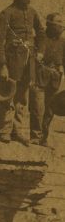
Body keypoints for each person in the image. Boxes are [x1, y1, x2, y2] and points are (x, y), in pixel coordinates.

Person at [0, 0, 45, 145]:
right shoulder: (7, 13)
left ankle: (17, 130)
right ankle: (5, 130)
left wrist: (40, 52)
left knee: (22, 98)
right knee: (8, 95)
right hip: (11, 60)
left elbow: (42, 33)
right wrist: (2, 65)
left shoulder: (32, 12)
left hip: (28, 61)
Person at [29, 13, 65, 146]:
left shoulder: (63, 42)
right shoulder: (39, 38)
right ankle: (35, 136)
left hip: (55, 79)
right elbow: (32, 59)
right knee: (37, 108)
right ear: (49, 24)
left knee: (50, 110)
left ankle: (44, 137)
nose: (62, 25)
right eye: (58, 22)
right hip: (39, 77)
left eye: (62, 22)